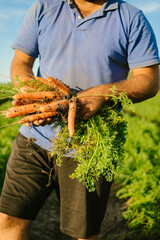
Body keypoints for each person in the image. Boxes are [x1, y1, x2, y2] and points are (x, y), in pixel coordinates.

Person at [0, 0, 159, 239]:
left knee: (82, 234)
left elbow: (149, 80)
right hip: (34, 139)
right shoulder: (44, 7)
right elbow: (21, 62)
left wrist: (103, 94)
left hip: (91, 146)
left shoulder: (131, 18)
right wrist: (32, 92)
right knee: (9, 218)